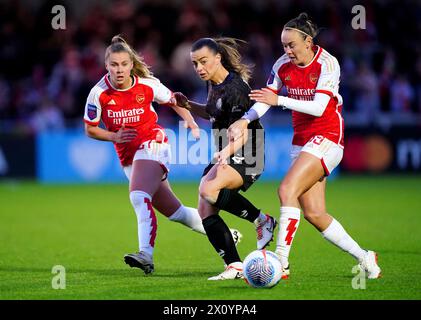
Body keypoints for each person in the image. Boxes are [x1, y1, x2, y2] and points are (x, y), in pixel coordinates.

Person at [228, 13, 381, 279]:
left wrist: (280, 101)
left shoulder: (327, 64)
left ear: (308, 41)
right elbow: (267, 98)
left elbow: (319, 107)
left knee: (286, 188)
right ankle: (364, 256)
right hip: (302, 139)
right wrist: (245, 119)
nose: (287, 51)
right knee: (314, 213)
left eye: (291, 45)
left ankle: (280, 262)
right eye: (284, 46)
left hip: (329, 134)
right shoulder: (282, 65)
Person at [83, 35, 242, 275]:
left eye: (124, 64)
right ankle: (228, 235)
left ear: (131, 64)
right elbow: (90, 128)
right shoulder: (99, 93)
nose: (119, 70)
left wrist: (189, 121)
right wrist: (113, 137)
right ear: (107, 66)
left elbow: (174, 100)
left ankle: (145, 254)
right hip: (128, 157)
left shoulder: (146, 84)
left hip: (153, 144)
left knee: (138, 196)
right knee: (175, 212)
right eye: (114, 65)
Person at [174, 37, 277, 281]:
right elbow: (213, 112)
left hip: (249, 152)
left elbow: (242, 131)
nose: (199, 68)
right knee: (205, 208)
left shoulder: (235, 88)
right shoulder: (214, 84)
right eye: (195, 63)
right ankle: (234, 265)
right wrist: (188, 105)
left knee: (209, 189)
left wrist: (225, 152)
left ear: (218, 58)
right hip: (228, 150)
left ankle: (262, 219)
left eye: (203, 61)